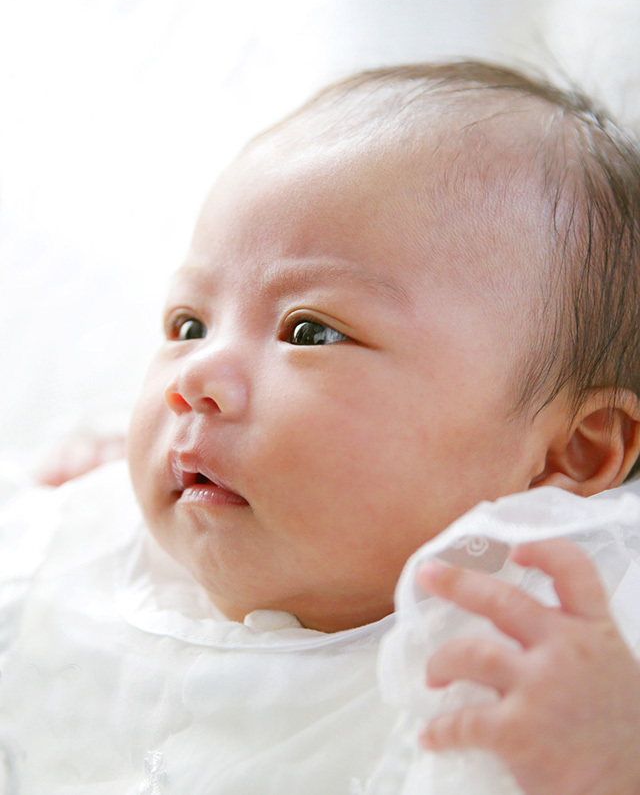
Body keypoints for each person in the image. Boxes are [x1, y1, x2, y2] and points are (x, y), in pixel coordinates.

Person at [2, 61, 640, 794]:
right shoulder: (79, 556)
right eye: (189, 324)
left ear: (572, 449)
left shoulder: (556, 661)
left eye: (309, 333)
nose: (195, 380)